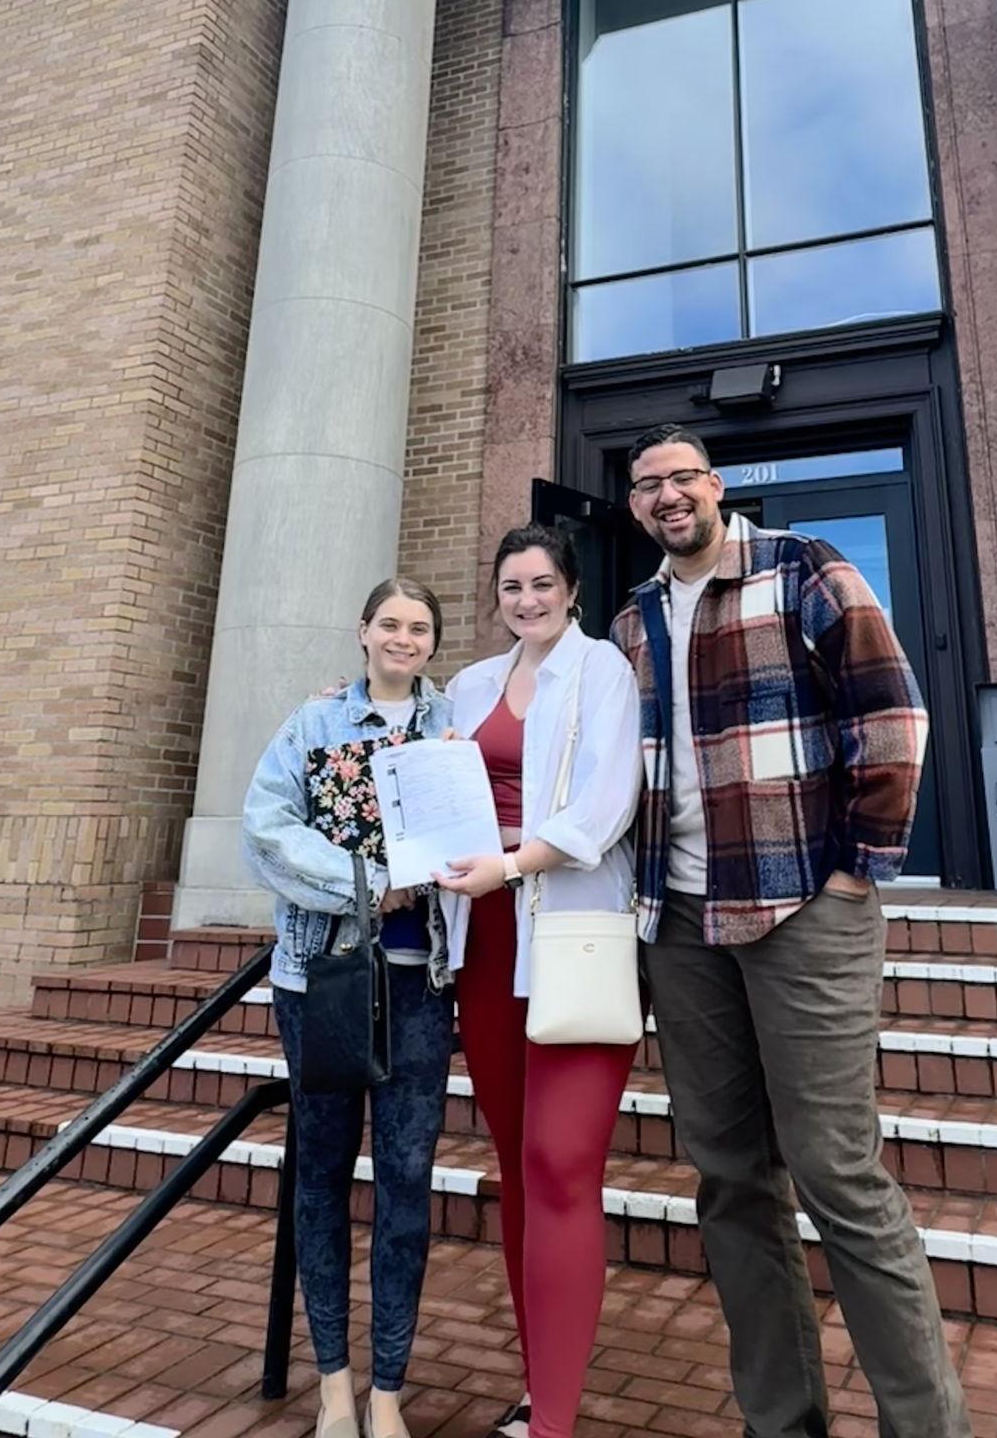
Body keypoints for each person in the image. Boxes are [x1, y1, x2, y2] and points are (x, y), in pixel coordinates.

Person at [611, 424, 973, 1438]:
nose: (667, 495)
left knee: (836, 1170)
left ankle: (924, 1426)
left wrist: (860, 868)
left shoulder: (799, 565)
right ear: (635, 504)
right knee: (727, 1176)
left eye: (682, 477)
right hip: (680, 922)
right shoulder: (631, 619)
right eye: (648, 484)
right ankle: (782, 1421)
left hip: (798, 906)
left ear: (714, 485)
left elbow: (891, 712)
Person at [438, 523, 643, 1438]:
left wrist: (512, 864)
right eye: (512, 586)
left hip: (569, 932)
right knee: (519, 1167)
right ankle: (538, 1386)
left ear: (572, 590)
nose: (528, 599)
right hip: (481, 941)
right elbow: (429, 781)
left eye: (543, 583)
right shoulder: (471, 684)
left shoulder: (603, 671)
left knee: (562, 1164)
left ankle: (553, 1423)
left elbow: (606, 805)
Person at [242, 578, 459, 1438]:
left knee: (405, 1185)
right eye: (390, 624)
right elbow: (266, 828)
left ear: (433, 642)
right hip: (322, 981)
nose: (403, 639)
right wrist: (368, 885)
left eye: (420, 627)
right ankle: (333, 1381)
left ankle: (388, 1391)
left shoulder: (454, 727)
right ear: (361, 631)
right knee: (323, 1177)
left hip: (418, 988)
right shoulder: (316, 723)